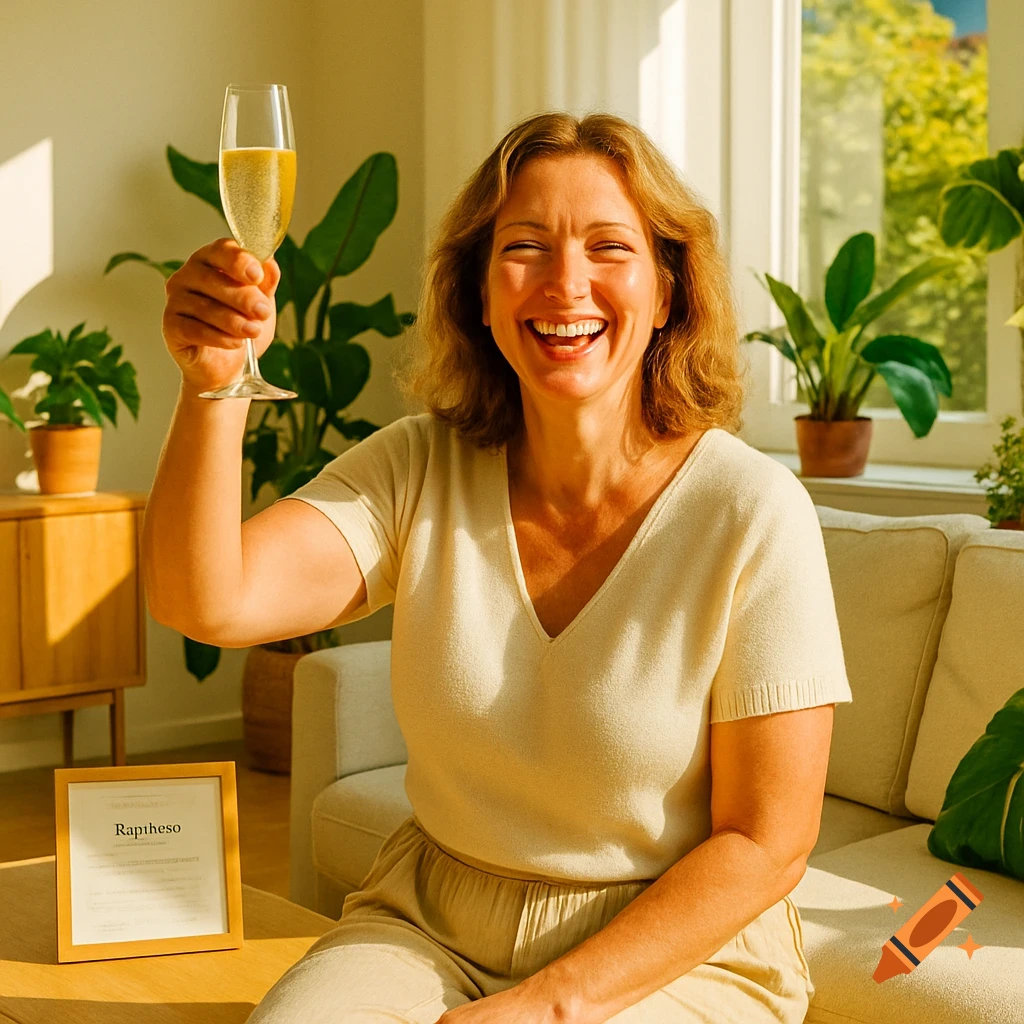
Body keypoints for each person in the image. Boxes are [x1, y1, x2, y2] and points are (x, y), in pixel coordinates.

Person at [147, 111, 852, 1023]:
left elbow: (766, 842)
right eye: (525, 246)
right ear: (478, 292)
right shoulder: (416, 467)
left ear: (669, 290)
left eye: (610, 247)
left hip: (680, 952)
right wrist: (211, 383)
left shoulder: (752, 512)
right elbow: (207, 599)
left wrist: (547, 1006)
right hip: (428, 923)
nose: (567, 282)